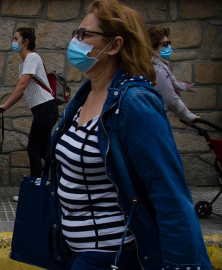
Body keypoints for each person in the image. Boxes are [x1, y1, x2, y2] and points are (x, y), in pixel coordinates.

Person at [45, 0, 211, 269]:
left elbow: (169, 194)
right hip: (73, 252)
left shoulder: (135, 103)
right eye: (76, 33)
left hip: (110, 258)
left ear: (114, 45)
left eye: (85, 34)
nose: (76, 41)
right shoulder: (85, 95)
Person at [0, 27, 58, 201]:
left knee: (33, 149)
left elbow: (22, 85)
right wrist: (7, 105)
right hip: (43, 109)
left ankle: (35, 191)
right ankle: (56, 182)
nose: (14, 42)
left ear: (25, 42)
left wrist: (6, 105)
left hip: (45, 108)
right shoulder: (23, 64)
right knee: (45, 151)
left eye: (16, 39)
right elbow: (24, 89)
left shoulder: (32, 57)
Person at [148, 26, 199, 122]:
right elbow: (171, 100)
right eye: (165, 44)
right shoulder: (157, 69)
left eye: (169, 43)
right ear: (154, 46)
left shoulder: (151, 65)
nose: (169, 47)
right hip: (156, 120)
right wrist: (189, 117)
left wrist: (185, 86)